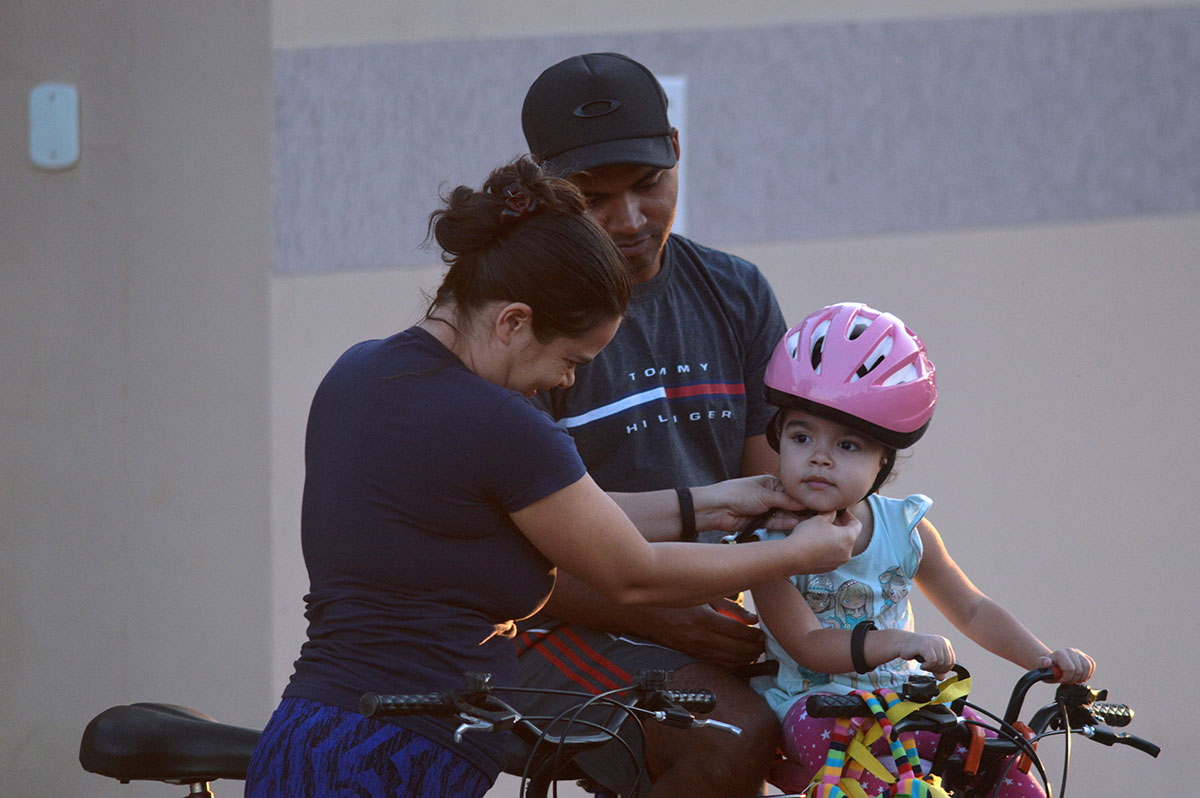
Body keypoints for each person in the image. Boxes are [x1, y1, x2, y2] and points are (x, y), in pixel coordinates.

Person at [243, 157, 860, 798]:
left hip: (313, 730)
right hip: (397, 754)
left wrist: (716, 500)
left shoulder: (359, 372)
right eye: (570, 359)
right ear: (513, 320)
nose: (566, 380)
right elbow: (633, 571)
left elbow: (567, 514)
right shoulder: (502, 423)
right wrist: (793, 553)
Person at [515, 51, 790, 797]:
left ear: (676, 151)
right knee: (732, 735)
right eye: (592, 197)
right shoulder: (521, 327)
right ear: (543, 192)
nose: (630, 220)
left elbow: (780, 503)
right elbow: (498, 561)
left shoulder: (737, 293)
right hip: (550, 624)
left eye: (648, 185)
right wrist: (665, 616)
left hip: (708, 615)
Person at [746, 301, 1096, 797]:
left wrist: (1044, 661)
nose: (820, 457)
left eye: (849, 446)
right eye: (802, 436)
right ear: (778, 439)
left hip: (904, 701)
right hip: (814, 706)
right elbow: (807, 645)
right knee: (882, 780)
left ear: (883, 462)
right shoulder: (768, 545)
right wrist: (899, 644)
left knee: (1007, 771)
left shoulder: (905, 529)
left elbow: (972, 609)